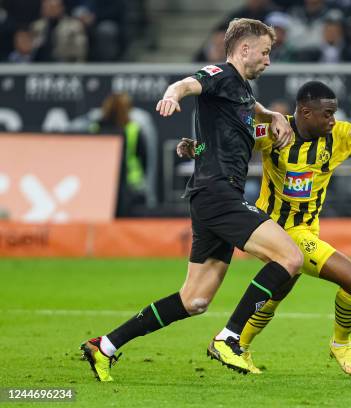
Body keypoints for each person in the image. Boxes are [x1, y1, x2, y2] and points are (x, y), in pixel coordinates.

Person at [80, 18, 304, 381]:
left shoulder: (241, 92)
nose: (268, 60)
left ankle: (104, 345)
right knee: (290, 257)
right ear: (244, 49)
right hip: (218, 194)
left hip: (210, 195)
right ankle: (230, 338)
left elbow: (241, 119)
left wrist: (274, 115)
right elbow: (188, 83)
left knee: (194, 300)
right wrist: (172, 95)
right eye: (265, 52)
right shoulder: (222, 74)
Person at [177, 81, 351, 376]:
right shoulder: (275, 130)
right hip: (274, 230)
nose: (332, 120)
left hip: (305, 232)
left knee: (275, 295)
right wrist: (196, 147)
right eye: (326, 114)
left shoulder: (340, 135)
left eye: (334, 113)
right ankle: (342, 344)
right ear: (304, 112)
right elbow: (228, 144)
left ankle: (240, 345)